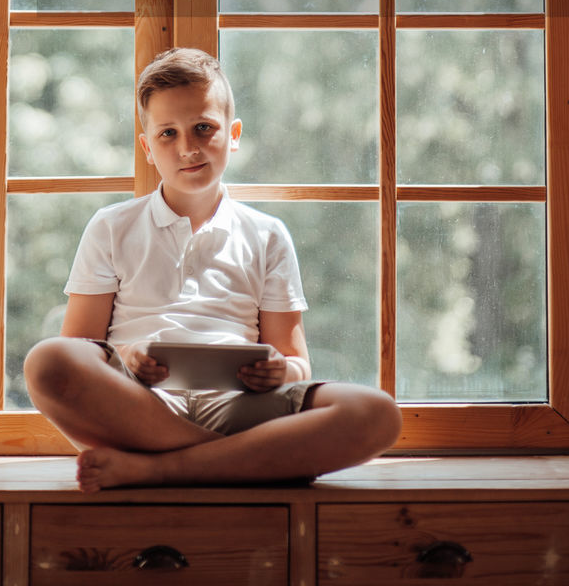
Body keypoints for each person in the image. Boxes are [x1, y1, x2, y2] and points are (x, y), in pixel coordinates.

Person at [24, 47, 402, 492]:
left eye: (203, 128)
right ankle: (246, 463)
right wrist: (126, 356)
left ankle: (160, 470)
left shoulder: (267, 235)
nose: (188, 148)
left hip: (240, 406)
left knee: (377, 414)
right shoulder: (112, 226)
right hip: (139, 405)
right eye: (168, 133)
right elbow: (80, 348)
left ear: (234, 134)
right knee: (47, 361)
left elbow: (297, 362)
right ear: (147, 147)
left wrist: (282, 371)